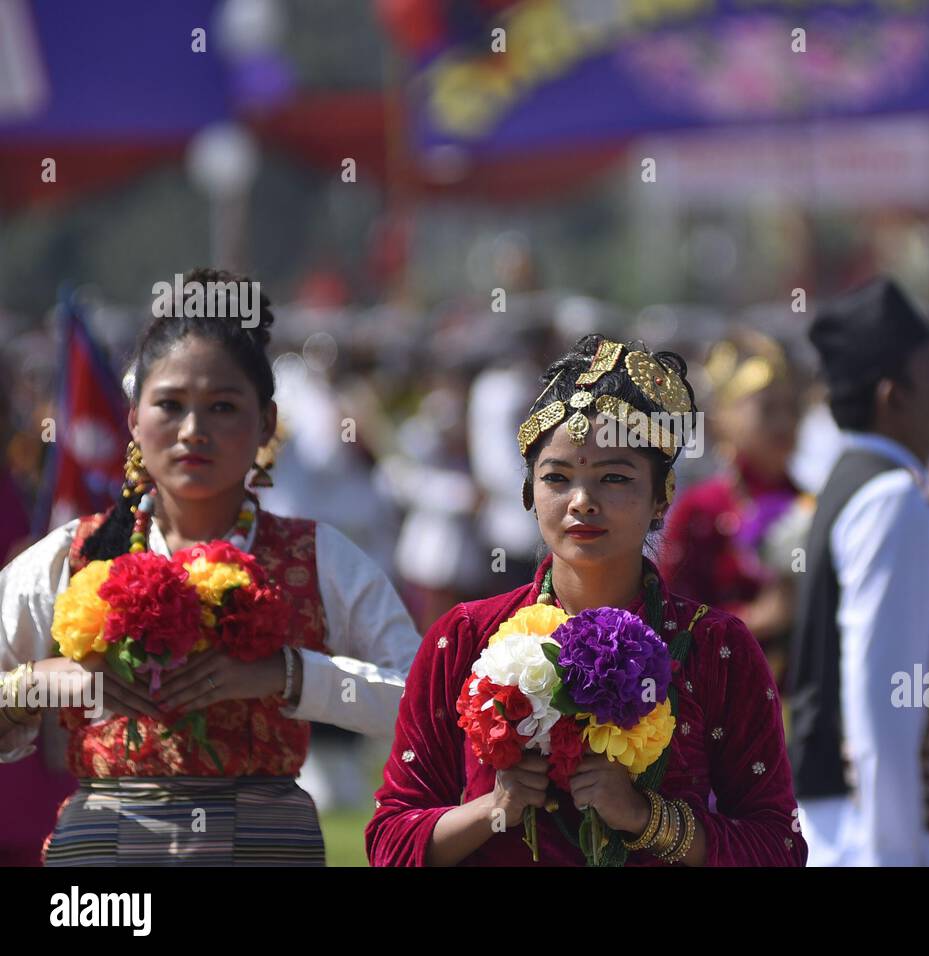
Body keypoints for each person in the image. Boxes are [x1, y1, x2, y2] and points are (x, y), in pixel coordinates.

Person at [0, 269, 422, 865]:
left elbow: (423, 703)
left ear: (266, 424)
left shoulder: (317, 557)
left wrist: (288, 675)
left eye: (222, 407)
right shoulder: (74, 551)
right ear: (133, 421)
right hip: (107, 857)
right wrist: (43, 681)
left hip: (264, 845)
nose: (193, 431)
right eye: (170, 406)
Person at [366, 333, 806, 866]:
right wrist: (495, 808)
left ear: (662, 498)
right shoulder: (464, 638)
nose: (582, 502)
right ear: (529, 493)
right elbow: (390, 841)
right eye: (557, 477)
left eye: (614, 478)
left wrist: (647, 819)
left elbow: (778, 849)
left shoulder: (715, 649)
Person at [788, 277, 929, 866]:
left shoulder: (872, 482)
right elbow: (882, 707)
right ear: (893, 396)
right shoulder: (891, 499)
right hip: (889, 838)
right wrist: (892, 855)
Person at [660, 330, 803, 685]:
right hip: (720, 697)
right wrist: (756, 618)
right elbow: (666, 622)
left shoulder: (809, 505)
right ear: (724, 418)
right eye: (768, 409)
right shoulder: (701, 508)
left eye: (792, 408)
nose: (784, 423)